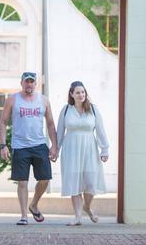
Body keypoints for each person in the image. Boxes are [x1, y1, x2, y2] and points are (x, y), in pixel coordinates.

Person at [0, 71, 58, 226]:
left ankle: (34, 204)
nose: (29, 84)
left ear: (35, 83)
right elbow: (3, 122)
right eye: (27, 81)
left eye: (32, 82)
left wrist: (54, 146)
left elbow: (51, 124)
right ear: (21, 83)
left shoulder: (43, 100)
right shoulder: (12, 99)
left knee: (45, 179)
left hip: (39, 145)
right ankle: (24, 215)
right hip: (20, 146)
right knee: (22, 182)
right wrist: (3, 145)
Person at [56, 81, 109, 226]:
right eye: (78, 92)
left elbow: (100, 130)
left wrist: (104, 149)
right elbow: (59, 132)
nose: (81, 95)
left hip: (89, 149)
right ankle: (78, 217)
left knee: (91, 182)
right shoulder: (66, 110)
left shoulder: (92, 109)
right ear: (72, 94)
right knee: (74, 183)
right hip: (71, 150)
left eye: (83, 92)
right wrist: (55, 150)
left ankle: (87, 206)